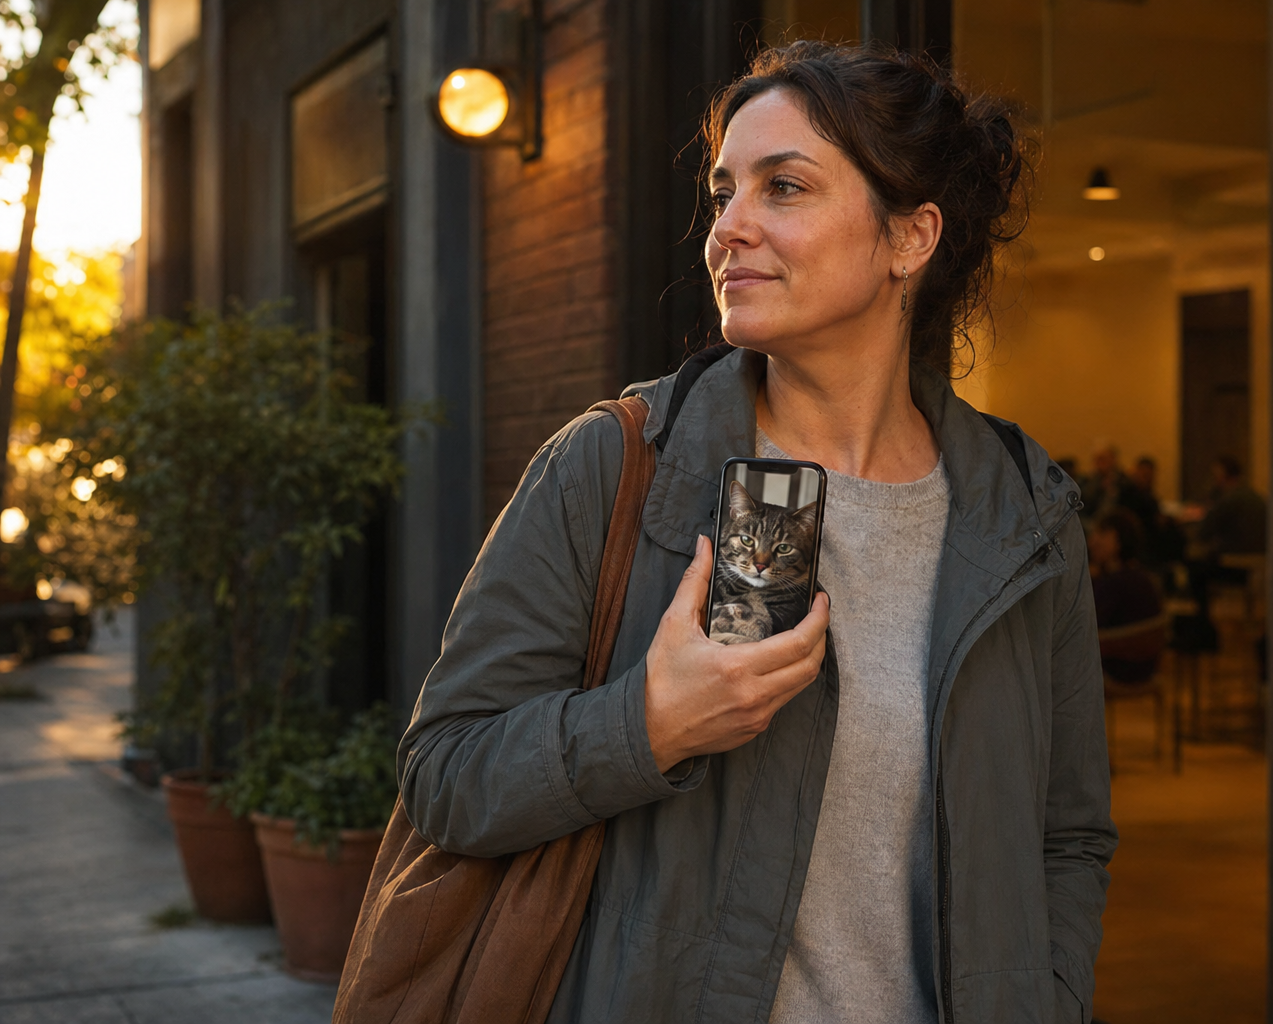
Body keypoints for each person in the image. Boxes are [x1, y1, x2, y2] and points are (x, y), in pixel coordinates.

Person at [399, 41, 1114, 1024]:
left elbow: (1067, 832)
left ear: (911, 237)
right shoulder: (622, 465)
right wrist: (645, 726)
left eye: (783, 188)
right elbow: (445, 774)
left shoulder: (1023, 511)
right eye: (724, 190)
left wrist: (1048, 998)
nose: (727, 228)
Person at [1088, 509, 1165, 684]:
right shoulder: (1141, 577)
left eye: (1102, 533)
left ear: (1119, 540)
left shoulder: (1115, 582)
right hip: (1146, 668)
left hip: (1116, 670)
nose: (1092, 541)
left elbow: (1089, 627)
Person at [1197, 454, 1267, 557]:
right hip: (1261, 551)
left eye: (1214, 476)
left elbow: (1204, 533)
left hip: (1236, 553)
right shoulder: (1254, 496)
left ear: (1221, 476)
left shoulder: (1229, 499)